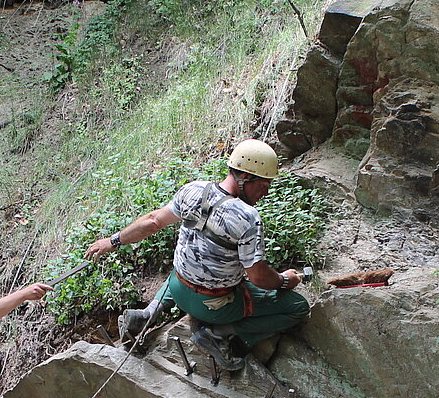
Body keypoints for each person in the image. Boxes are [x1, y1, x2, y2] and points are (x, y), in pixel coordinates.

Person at [84, 139, 309, 371]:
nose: (266, 192)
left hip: (178, 288)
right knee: (298, 307)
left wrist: (112, 241)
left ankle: (147, 314)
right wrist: (284, 280)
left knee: (186, 261)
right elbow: (258, 277)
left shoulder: (193, 190)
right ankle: (217, 334)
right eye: (263, 185)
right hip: (214, 306)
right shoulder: (248, 218)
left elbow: (152, 222)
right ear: (245, 178)